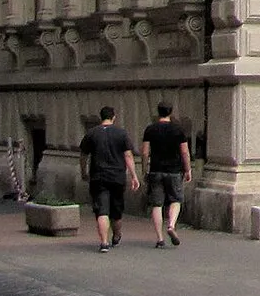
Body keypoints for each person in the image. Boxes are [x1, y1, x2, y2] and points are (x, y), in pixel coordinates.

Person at [79, 106, 140, 253]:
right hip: (117, 177)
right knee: (116, 210)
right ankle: (117, 235)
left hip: (98, 177)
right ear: (114, 117)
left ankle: (104, 242)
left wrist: (83, 172)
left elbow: (83, 155)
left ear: (101, 117)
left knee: (102, 210)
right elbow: (128, 156)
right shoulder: (121, 133)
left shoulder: (91, 134)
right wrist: (134, 176)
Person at [139, 103, 192, 247]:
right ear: (171, 112)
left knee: (157, 204)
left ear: (158, 112)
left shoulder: (150, 129)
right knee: (175, 200)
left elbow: (144, 152)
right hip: (174, 170)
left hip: (156, 170)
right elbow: (184, 152)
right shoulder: (178, 130)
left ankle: (159, 238)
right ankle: (171, 225)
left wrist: (144, 170)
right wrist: (187, 169)